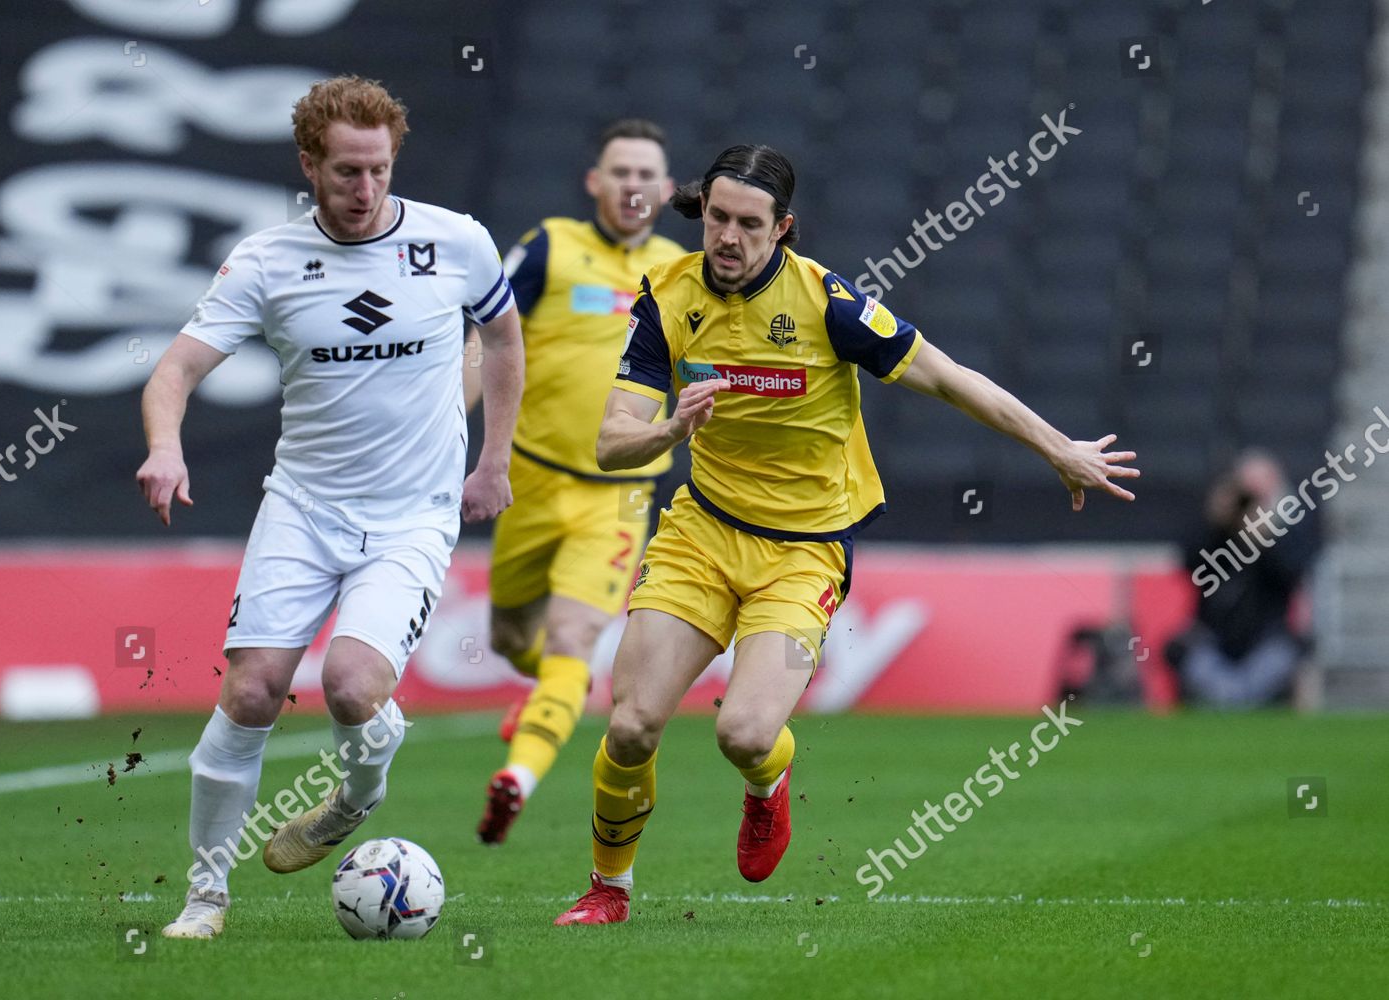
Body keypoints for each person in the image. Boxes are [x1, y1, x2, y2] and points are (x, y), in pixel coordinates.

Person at [553, 144, 1139, 925]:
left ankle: (768, 784)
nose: (726, 238)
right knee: (629, 725)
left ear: (782, 228)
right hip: (702, 532)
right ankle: (607, 890)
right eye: (717, 218)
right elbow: (609, 441)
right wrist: (670, 430)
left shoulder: (829, 304)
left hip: (803, 550)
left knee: (744, 731)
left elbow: (949, 377)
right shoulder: (667, 299)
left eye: (748, 225)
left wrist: (1059, 449)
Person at [135, 75, 523, 939]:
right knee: (252, 691)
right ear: (309, 165)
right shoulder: (266, 262)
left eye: (379, 170)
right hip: (304, 508)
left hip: (412, 514)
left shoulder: (455, 242)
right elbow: (174, 371)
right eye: (346, 172)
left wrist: (493, 460)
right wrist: (166, 445)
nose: (365, 190)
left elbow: (501, 336)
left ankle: (356, 795)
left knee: (351, 686)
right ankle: (205, 898)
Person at [464, 119, 683, 844]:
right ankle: (544, 700)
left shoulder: (682, 271)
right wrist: (442, 429)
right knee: (507, 637)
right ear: (595, 182)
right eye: (619, 172)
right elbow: (485, 341)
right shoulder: (550, 246)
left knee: (572, 639)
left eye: (646, 174)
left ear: (668, 189)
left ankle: (517, 778)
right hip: (529, 478)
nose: (632, 186)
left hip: (619, 494)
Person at [1169, 450, 1313, 706]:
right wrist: (1217, 521)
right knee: (1181, 649)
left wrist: (1264, 535)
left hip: (1266, 642)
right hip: (1216, 642)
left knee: (1291, 650)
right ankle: (1228, 698)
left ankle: (1239, 699)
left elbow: (1292, 573)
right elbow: (1189, 564)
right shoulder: (1216, 535)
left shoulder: (1288, 532)